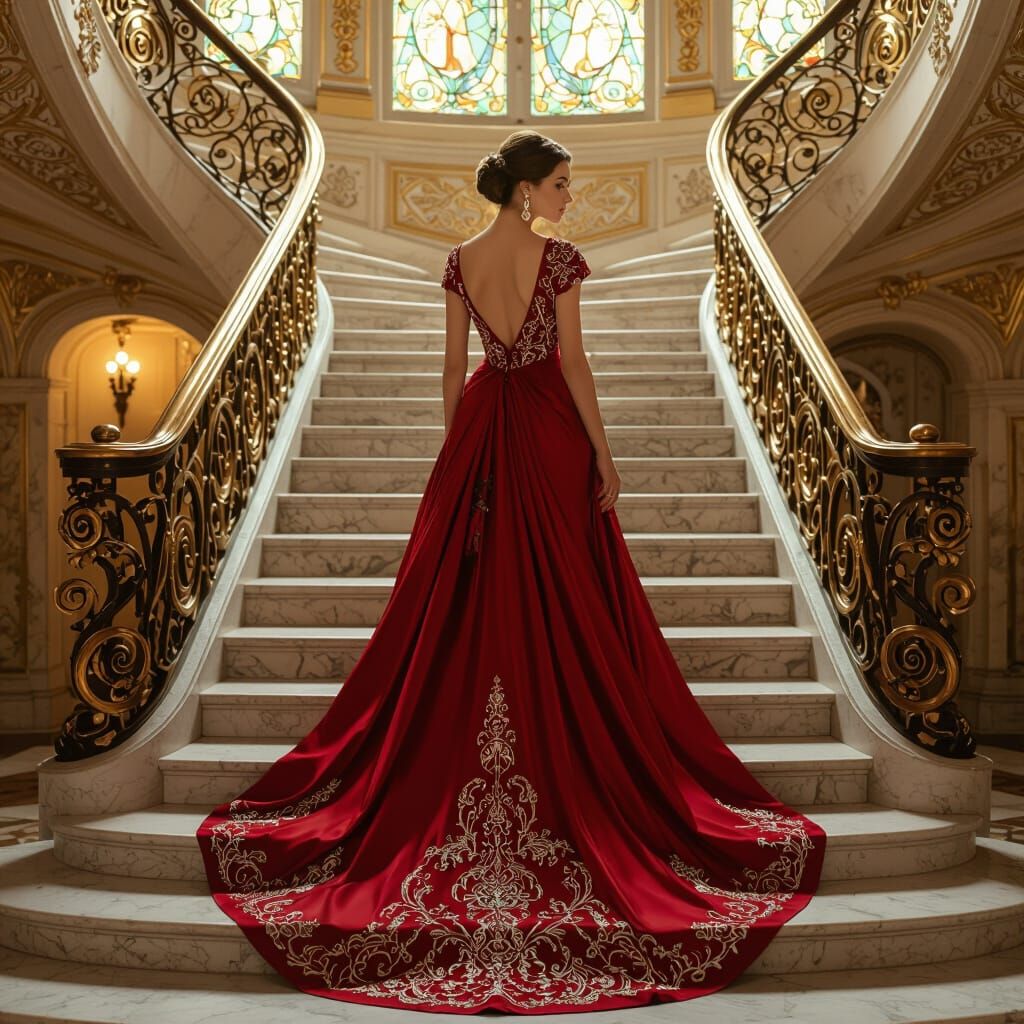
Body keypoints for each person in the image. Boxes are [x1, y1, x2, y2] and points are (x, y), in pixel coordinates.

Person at [196, 129, 827, 1014]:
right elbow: (572, 362)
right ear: (529, 189)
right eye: (563, 183)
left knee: (465, 601)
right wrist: (603, 453)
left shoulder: (459, 259)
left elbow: (451, 374)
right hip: (546, 433)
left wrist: (462, 455)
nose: (572, 196)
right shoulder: (558, 258)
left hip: (487, 426)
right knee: (570, 601)